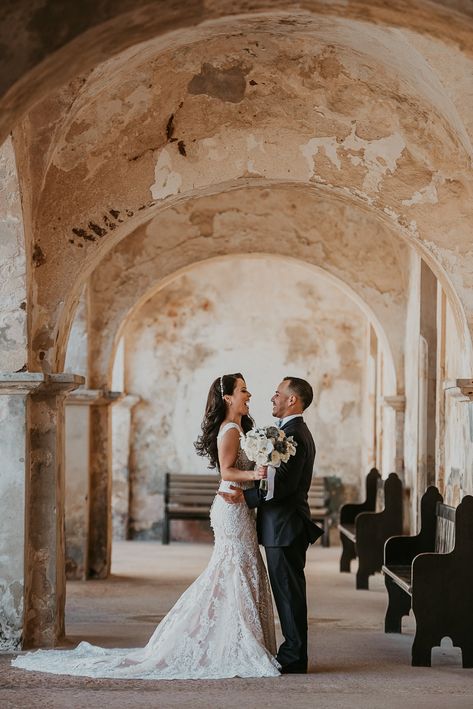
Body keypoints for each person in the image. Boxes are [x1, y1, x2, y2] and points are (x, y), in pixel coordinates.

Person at [11, 373, 280, 680]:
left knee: (241, 568)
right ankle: (232, 642)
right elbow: (228, 471)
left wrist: (259, 469)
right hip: (230, 510)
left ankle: (239, 639)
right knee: (233, 569)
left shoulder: (240, 428)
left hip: (237, 506)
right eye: (243, 390)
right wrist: (255, 475)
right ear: (228, 398)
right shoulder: (230, 429)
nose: (249, 394)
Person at [219, 377, 323, 674]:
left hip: (285, 526)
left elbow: (283, 486)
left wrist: (246, 496)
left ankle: (294, 657)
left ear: (293, 400)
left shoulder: (294, 434)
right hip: (282, 526)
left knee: (288, 594)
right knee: (287, 592)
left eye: (278, 394)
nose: (272, 398)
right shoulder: (290, 431)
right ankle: (292, 652)